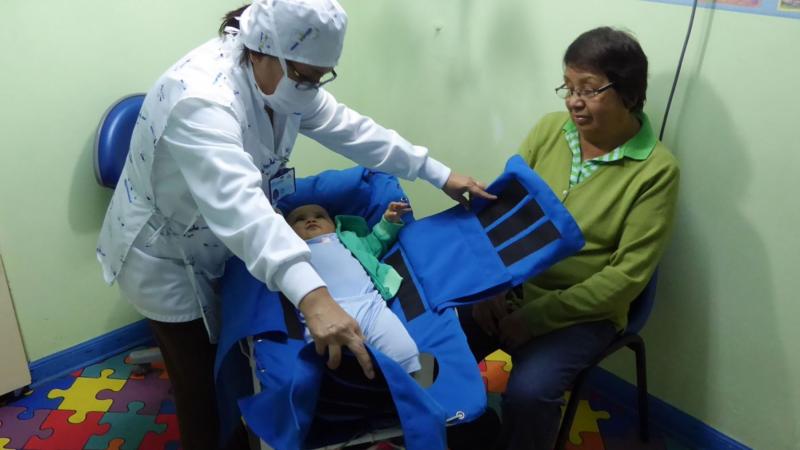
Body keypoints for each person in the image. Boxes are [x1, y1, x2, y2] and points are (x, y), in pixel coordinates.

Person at [95, 1, 494, 448]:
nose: (311, 90)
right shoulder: (200, 101)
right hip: (167, 255)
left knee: (234, 360)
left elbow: (353, 130)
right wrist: (315, 299)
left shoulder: (282, 82)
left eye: (321, 77)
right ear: (260, 50)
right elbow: (243, 209)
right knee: (199, 385)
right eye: (304, 77)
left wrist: (437, 172)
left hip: (224, 242)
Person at [448, 27, 680, 450]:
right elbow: (502, 212)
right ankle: (463, 435)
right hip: (510, 287)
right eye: (569, 88)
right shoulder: (550, 130)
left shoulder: (656, 170)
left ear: (628, 93)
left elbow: (626, 278)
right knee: (441, 341)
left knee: (529, 393)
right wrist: (489, 285)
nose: (574, 101)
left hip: (583, 312)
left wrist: (536, 318)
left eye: (589, 90)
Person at [286, 201, 420, 373]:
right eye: (300, 219)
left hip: (370, 305)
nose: (311, 220)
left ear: (334, 225)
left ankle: (405, 383)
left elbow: (376, 241)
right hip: (321, 312)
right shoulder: (291, 250)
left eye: (319, 216)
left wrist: (388, 221)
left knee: (404, 352)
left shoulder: (347, 239)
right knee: (323, 363)